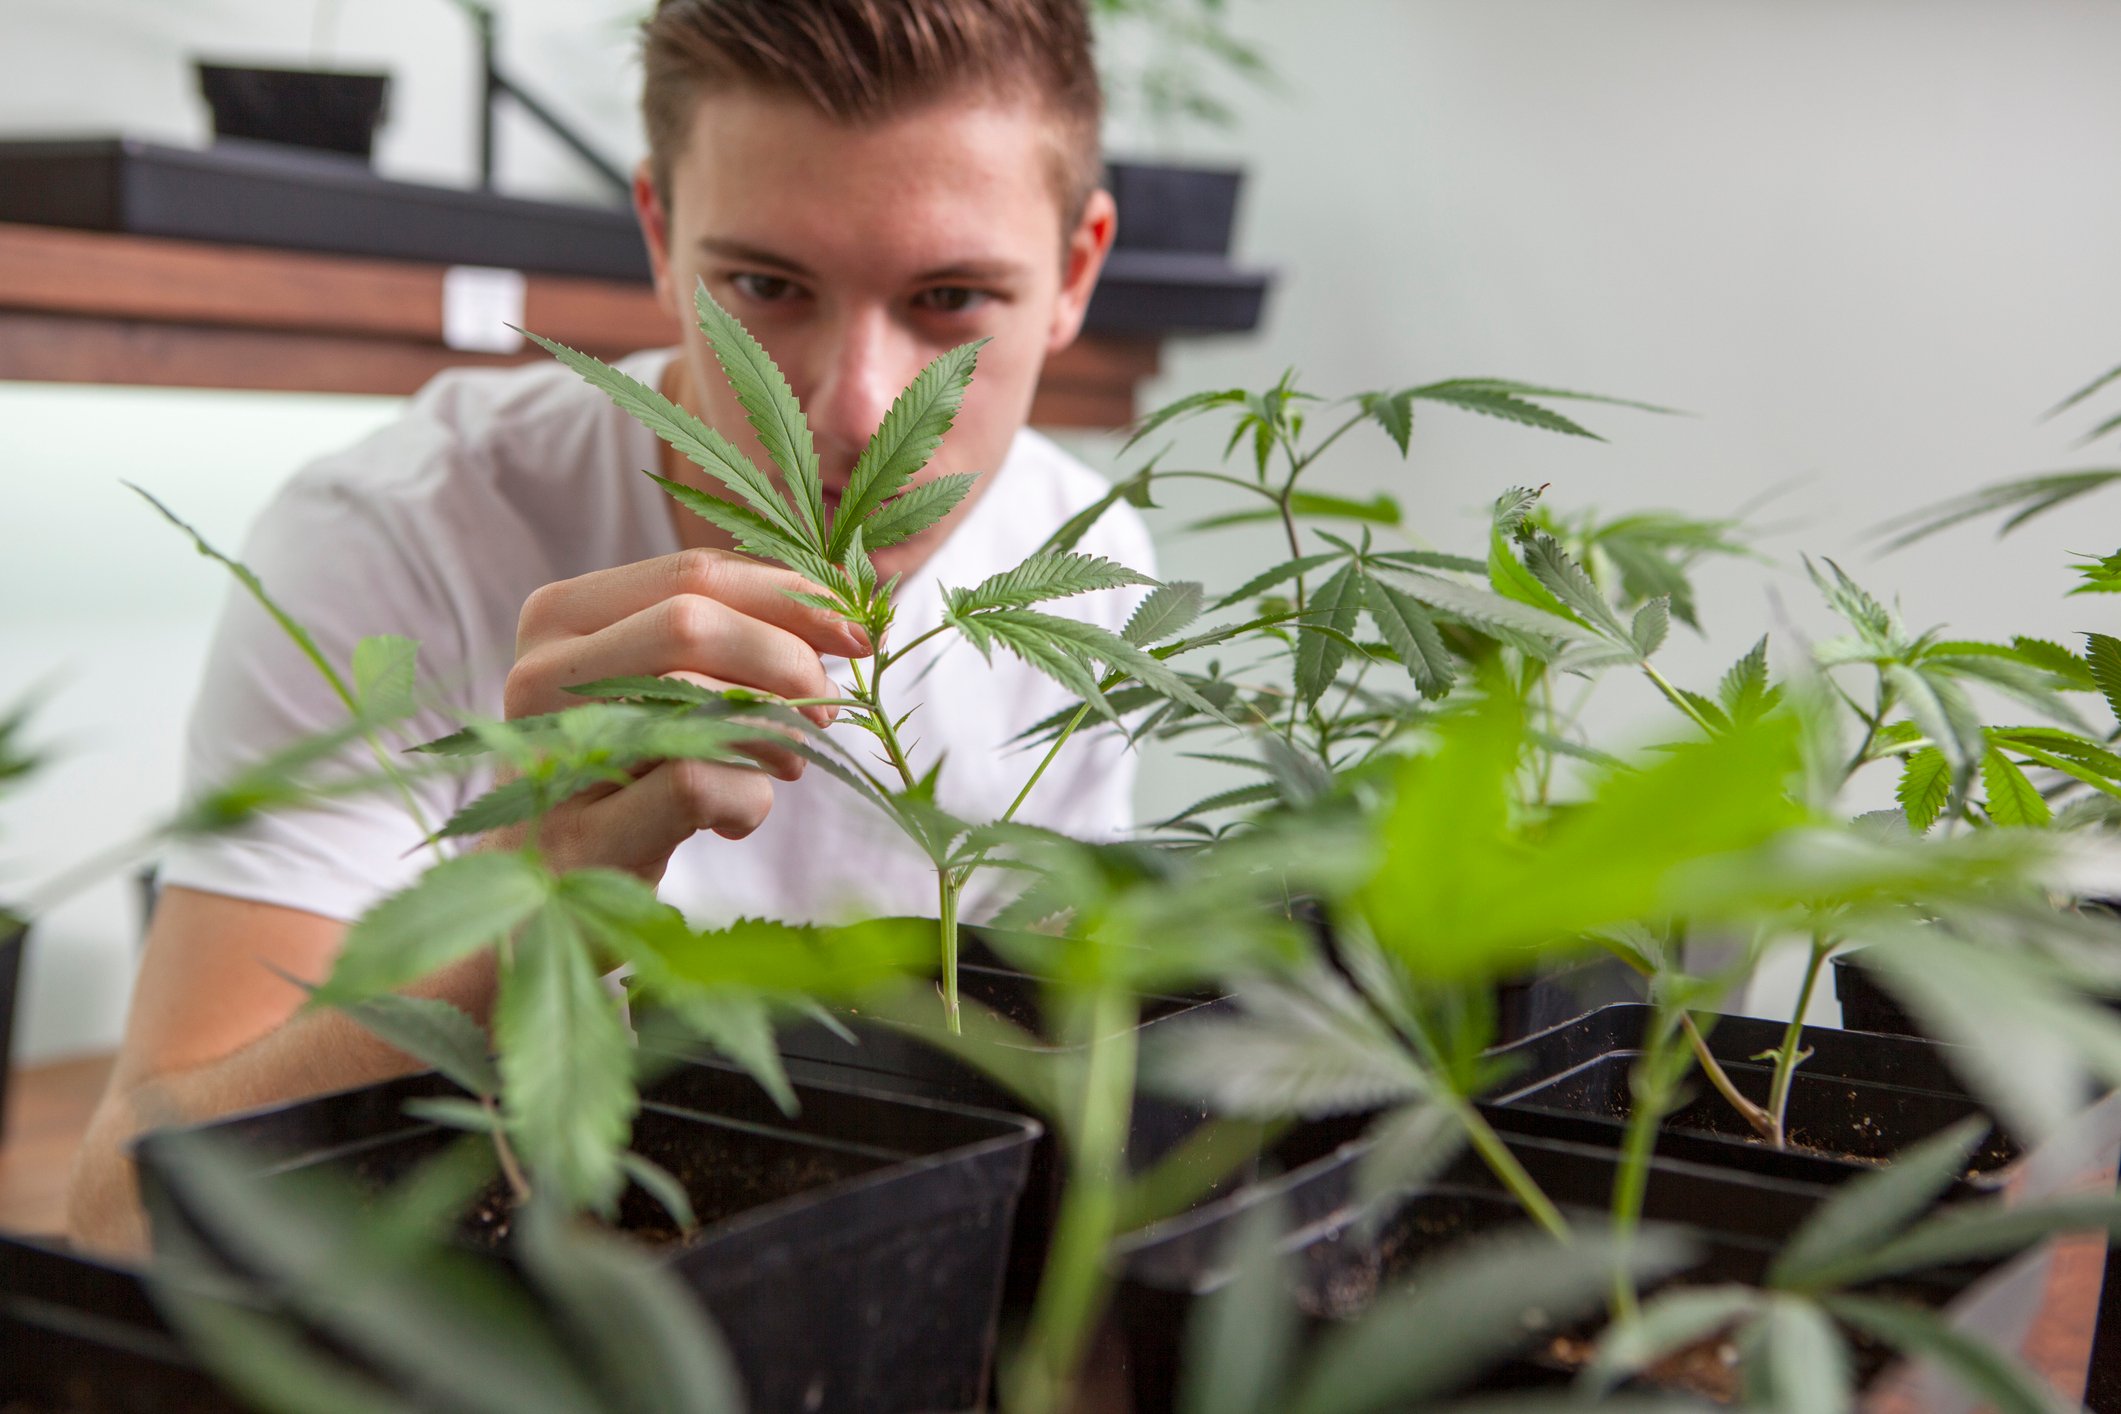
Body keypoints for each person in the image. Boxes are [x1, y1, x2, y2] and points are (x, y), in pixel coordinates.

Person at [67, 0, 1148, 1255]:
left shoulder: (1090, 559)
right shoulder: (399, 535)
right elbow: (122, 1212)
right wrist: (528, 890)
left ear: (1076, 272)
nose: (853, 411)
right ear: (657, 232)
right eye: (764, 288)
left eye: (952, 296)